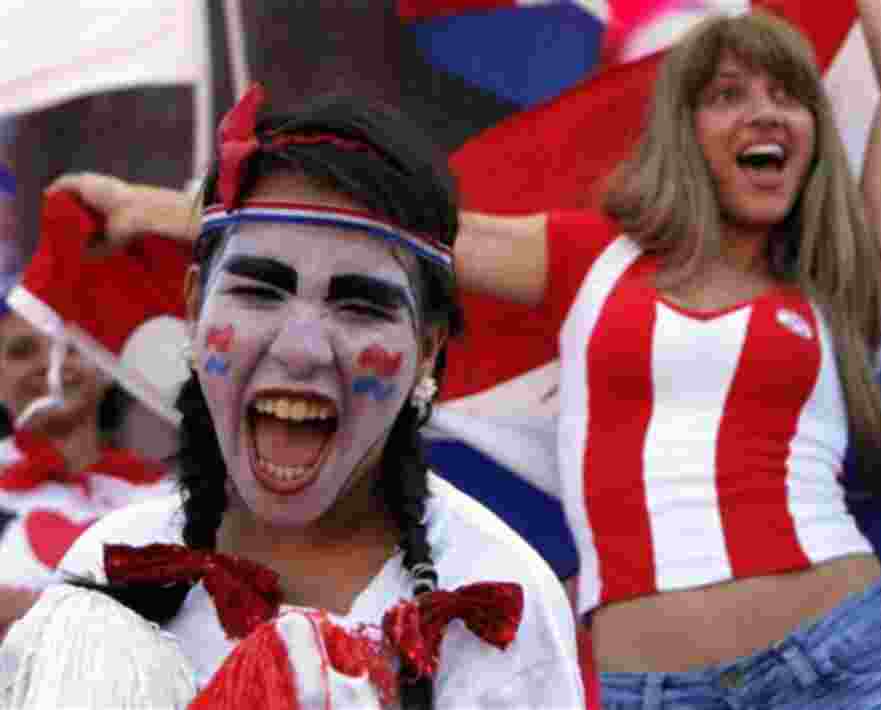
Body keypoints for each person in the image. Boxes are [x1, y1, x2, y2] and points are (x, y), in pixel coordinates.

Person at [48, 3, 881, 707]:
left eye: (788, 95)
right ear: (685, 130)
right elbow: (379, 224)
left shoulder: (839, 281)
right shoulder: (596, 257)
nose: (764, 113)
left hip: (847, 654)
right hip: (654, 691)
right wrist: (160, 207)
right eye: (728, 94)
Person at [15, 87, 583, 708]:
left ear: (426, 348)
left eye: (360, 305)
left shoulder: (500, 600)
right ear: (194, 307)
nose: (303, 349)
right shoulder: (109, 568)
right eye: (261, 292)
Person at [0, 297, 172, 638]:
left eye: (70, 349)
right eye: (23, 350)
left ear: (108, 368)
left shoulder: (167, 498)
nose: (49, 367)